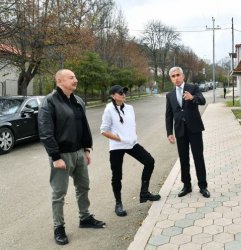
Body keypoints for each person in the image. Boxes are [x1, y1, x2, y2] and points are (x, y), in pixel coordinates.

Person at [38, 69, 105, 246]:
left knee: (83, 186)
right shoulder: (49, 102)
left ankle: (85, 218)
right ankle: (58, 227)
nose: (76, 79)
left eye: (75, 76)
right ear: (60, 80)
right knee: (59, 193)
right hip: (62, 156)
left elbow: (83, 126)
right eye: (71, 77)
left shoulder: (78, 101)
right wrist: (55, 156)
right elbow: (45, 132)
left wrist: (87, 149)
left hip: (79, 153)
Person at [100, 85, 161, 217]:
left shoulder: (130, 108)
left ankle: (144, 192)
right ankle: (118, 203)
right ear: (113, 95)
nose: (124, 94)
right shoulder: (109, 109)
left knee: (149, 161)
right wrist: (119, 138)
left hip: (132, 144)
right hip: (117, 146)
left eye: (124, 92)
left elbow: (131, 125)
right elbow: (103, 130)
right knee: (117, 176)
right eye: (120, 93)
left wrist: (131, 137)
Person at [165, 66, 210, 198]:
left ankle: (203, 186)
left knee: (198, 158)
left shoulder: (193, 88)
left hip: (194, 129)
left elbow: (202, 101)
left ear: (183, 76)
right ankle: (187, 186)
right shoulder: (170, 95)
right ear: (171, 79)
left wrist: (192, 98)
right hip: (180, 131)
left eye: (178, 75)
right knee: (184, 159)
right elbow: (168, 115)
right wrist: (169, 132)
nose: (176, 78)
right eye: (173, 76)